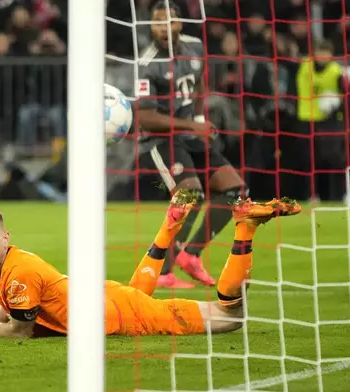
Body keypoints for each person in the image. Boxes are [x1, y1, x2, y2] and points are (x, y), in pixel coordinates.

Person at [0, 190, 301, 338]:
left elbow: (17, 331)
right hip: (107, 296)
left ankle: (245, 227)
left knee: (231, 318)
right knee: (135, 295)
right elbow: (7, 303)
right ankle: (171, 223)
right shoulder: (12, 265)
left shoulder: (18, 271)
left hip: (120, 314)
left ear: (5, 237)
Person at [135, 0, 247, 289]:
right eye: (157, 22)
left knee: (235, 191)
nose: (163, 27)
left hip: (188, 133)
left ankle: (191, 255)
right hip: (159, 141)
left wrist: (197, 117)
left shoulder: (194, 47)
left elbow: (198, 83)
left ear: (179, 24)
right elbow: (146, 117)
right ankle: (161, 272)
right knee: (190, 195)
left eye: (168, 21)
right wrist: (193, 125)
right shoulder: (147, 63)